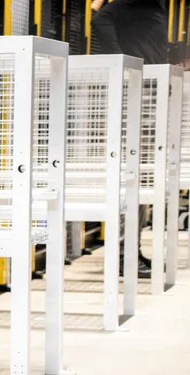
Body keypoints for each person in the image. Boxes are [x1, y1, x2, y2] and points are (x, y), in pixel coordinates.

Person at [91, 0, 168, 279]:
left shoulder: (153, 6)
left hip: (149, 93)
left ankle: (130, 251)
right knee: (134, 177)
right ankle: (125, 255)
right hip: (139, 94)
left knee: (141, 178)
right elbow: (100, 20)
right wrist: (121, 64)